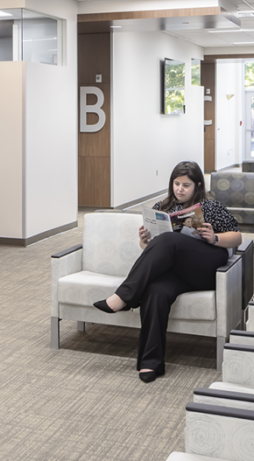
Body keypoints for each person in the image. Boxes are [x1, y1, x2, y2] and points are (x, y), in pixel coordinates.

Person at [92, 161, 241, 383]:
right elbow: (150, 251)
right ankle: (150, 363)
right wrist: (146, 242)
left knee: (170, 239)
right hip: (176, 272)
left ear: (197, 185)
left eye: (186, 185)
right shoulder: (161, 207)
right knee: (155, 291)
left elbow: (238, 237)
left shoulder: (210, 206)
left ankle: (125, 296)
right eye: (176, 183)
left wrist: (214, 237)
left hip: (206, 267)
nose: (180, 189)